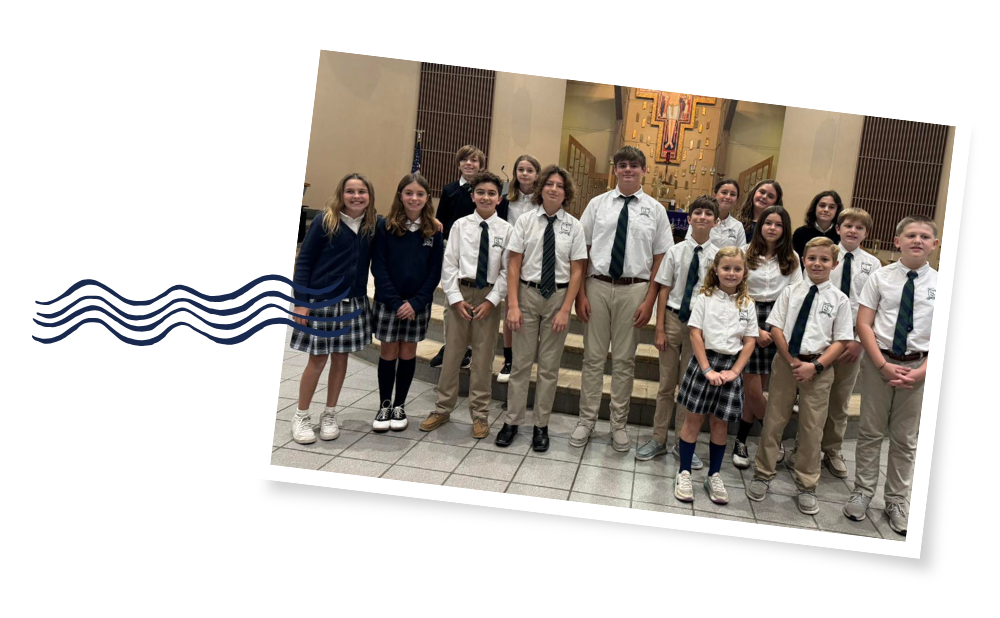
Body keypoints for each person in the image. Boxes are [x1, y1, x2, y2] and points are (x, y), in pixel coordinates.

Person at [843, 215, 939, 535]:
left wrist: (922, 371)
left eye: (924, 236)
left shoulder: (940, 283)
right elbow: (864, 323)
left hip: (919, 367)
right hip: (880, 363)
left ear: (934, 244)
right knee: (870, 431)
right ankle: (862, 491)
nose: (917, 240)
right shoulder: (880, 277)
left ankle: (897, 499)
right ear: (897, 241)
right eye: (910, 235)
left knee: (905, 439)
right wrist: (882, 365)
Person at [572, 146, 672, 451]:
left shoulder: (655, 210)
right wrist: (580, 294)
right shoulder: (597, 204)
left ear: (644, 171)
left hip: (634, 289)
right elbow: (582, 250)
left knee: (625, 360)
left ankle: (618, 424)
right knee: (592, 358)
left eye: (634, 165)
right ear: (615, 169)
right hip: (597, 286)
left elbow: (661, 258)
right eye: (623, 165)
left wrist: (650, 300)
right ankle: (586, 420)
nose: (628, 169)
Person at [745, 237, 853, 514]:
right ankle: (763, 473)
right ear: (803, 260)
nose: (817, 263)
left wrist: (815, 366)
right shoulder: (790, 292)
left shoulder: (839, 300)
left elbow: (841, 340)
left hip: (819, 368)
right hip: (786, 363)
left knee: (812, 427)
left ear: (834, 264)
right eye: (812, 258)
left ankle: (806, 484)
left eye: (824, 259)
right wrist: (792, 360)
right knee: (774, 420)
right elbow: (776, 328)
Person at [496, 165, 587, 451]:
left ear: (566, 192)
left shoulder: (574, 226)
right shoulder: (525, 221)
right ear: (541, 188)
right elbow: (513, 265)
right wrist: (513, 305)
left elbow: (577, 270)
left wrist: (566, 309)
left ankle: (540, 425)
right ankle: (512, 420)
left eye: (560, 185)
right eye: (549, 184)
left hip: (557, 298)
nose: (554, 189)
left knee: (549, 367)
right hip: (527, 294)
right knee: (520, 364)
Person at [787, 208, 881, 477]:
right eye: (848, 225)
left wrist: (858, 340)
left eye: (859, 228)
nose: (853, 231)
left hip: (853, 338)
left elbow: (875, 305)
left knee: (840, 399)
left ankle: (832, 449)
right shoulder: (825, 256)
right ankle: (803, 447)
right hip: (819, 338)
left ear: (866, 233)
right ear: (837, 229)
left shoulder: (873, 265)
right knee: (811, 399)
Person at [289, 173, 379, 444]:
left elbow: (403, 223)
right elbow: (304, 262)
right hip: (323, 302)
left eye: (362, 191)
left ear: (369, 196)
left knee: (341, 358)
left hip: (353, 302)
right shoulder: (325, 220)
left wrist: (433, 221)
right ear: (341, 194)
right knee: (317, 360)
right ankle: (301, 415)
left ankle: (329, 413)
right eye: (350, 191)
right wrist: (300, 303)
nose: (356, 196)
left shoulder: (373, 225)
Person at [420, 171, 511, 439]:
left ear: (499, 199)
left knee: (483, 358)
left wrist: (493, 300)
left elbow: (507, 271)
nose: (486, 197)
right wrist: (455, 298)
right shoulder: (460, 225)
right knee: (452, 354)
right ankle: (442, 408)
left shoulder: (507, 230)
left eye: (491, 193)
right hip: (461, 292)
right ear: (472, 196)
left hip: (488, 296)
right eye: (480, 192)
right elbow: (449, 264)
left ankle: (480, 414)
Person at [636, 195, 720, 468]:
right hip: (673, 319)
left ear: (716, 222)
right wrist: (659, 328)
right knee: (666, 385)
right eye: (698, 212)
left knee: (688, 388)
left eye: (708, 214)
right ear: (689, 218)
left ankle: (682, 443)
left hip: (700, 326)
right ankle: (658, 438)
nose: (702, 217)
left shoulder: (719, 256)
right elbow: (664, 289)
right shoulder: (675, 251)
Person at [673, 247, 758, 503]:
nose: (731, 273)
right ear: (716, 270)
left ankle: (714, 475)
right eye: (726, 268)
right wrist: (707, 369)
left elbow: (750, 341)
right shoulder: (705, 298)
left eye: (737, 269)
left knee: (720, 424)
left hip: (731, 366)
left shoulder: (747, 304)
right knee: (693, 421)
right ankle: (684, 472)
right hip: (704, 363)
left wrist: (735, 371)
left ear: (744, 273)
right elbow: (695, 333)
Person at [369, 173, 444, 432]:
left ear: (427, 198)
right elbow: (378, 266)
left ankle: (399, 405)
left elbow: (434, 272)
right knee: (389, 352)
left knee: (408, 353)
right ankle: (384, 405)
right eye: (409, 193)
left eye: (420, 194)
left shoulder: (433, 230)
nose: (414, 198)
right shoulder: (385, 226)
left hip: (417, 305)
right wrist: (395, 301)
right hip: (389, 302)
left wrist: (415, 303)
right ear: (400, 195)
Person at [732, 205, 802, 468]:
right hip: (747, 315)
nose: (772, 228)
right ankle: (773, 438)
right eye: (768, 223)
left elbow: (795, 296)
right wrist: (754, 329)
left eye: (778, 224)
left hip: (778, 321)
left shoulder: (792, 258)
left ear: (785, 229)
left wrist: (774, 329)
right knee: (751, 388)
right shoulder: (744, 253)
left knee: (757, 390)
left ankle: (740, 441)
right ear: (760, 226)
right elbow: (735, 291)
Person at [429, 145, 491, 371]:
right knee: (452, 300)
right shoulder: (450, 190)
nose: (469, 164)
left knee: (476, 300)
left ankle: (470, 347)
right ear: (458, 164)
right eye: (465, 160)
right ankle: (453, 346)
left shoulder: (485, 192)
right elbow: (441, 221)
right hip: (455, 250)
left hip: (480, 252)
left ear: (481, 166)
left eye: (474, 160)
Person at [497, 154, 541, 385]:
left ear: (537, 174)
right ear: (515, 173)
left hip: (533, 260)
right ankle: (509, 358)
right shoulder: (506, 200)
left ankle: (526, 358)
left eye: (529, 170)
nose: (525, 174)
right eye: (521, 169)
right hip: (509, 259)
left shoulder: (542, 201)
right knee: (510, 310)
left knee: (529, 311)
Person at [685, 178, 745, 248]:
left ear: (736, 201)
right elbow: (689, 245)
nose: (728, 197)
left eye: (732, 194)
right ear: (714, 195)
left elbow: (741, 251)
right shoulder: (701, 220)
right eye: (724, 192)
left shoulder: (738, 226)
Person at [791, 191, 844, 264]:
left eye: (831, 207)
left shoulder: (840, 235)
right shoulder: (800, 233)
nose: (826, 210)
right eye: (822, 205)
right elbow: (796, 262)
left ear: (837, 211)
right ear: (815, 208)